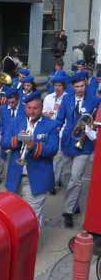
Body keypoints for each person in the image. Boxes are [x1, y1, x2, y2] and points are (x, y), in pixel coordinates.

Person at [2, 92, 59, 229]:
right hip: (15, 175)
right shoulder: (16, 122)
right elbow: (4, 142)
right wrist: (18, 140)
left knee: (32, 216)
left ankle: (30, 246)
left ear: (41, 108)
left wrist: (33, 146)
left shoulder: (50, 125)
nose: (32, 111)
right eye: (29, 108)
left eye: (35, 108)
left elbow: (53, 149)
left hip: (37, 176)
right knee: (14, 214)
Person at [55, 72, 98, 228]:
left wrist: (90, 127)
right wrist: (54, 129)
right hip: (67, 140)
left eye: (82, 86)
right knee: (66, 176)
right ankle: (75, 203)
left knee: (75, 177)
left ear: (86, 84)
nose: (80, 89)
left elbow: (97, 121)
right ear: (72, 86)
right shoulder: (67, 98)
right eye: (77, 86)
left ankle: (68, 212)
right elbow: (60, 118)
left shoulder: (95, 100)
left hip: (84, 144)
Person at [43, 75, 68, 193]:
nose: (57, 88)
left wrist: (59, 111)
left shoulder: (68, 98)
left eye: (60, 86)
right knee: (49, 156)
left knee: (58, 158)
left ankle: (54, 182)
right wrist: (47, 114)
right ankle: (50, 179)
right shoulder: (48, 97)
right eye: (55, 85)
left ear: (64, 87)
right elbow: (43, 112)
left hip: (61, 131)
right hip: (49, 130)